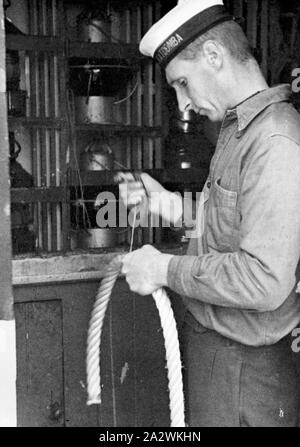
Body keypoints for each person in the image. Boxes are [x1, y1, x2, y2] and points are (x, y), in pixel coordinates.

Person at [119, 0, 300, 427]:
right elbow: (230, 226)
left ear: (215, 57)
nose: (182, 103)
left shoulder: (274, 140)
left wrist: (165, 269)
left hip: (245, 372)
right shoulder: (239, 130)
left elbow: (263, 280)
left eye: (182, 82)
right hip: (222, 356)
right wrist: (166, 204)